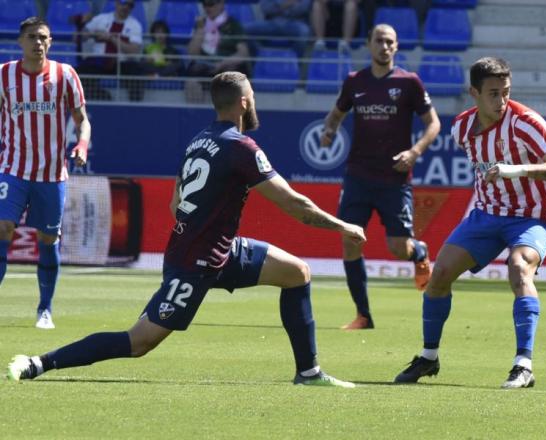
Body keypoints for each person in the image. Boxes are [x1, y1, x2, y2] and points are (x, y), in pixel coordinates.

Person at [7, 71, 365, 388]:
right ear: (243, 102)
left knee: (297, 273)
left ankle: (309, 373)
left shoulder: (199, 140)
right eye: (252, 97)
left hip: (219, 249)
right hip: (195, 263)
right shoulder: (241, 147)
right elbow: (295, 205)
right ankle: (40, 363)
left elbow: (174, 205)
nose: (254, 103)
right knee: (138, 343)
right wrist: (344, 226)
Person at [393, 57, 546, 388]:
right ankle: (428, 357)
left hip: (530, 217)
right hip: (487, 214)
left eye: (506, 92)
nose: (501, 101)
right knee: (440, 276)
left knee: (519, 268)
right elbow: (485, 172)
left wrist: (519, 170)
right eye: (493, 93)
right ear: (473, 93)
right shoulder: (461, 128)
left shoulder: (525, 123)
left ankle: (523, 366)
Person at [320, 24, 440, 330]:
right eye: (379, 41)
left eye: (390, 42)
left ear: (396, 47)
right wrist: (330, 131)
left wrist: (414, 152)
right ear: (369, 44)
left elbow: (433, 124)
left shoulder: (409, 82)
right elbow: (336, 114)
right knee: (350, 241)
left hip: (394, 179)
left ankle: (420, 252)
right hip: (358, 176)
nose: (384, 46)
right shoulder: (354, 82)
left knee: (398, 248)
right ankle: (364, 315)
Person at [0, 17, 91, 329]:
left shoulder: (65, 75)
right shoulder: (4, 75)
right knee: (2, 228)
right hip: (12, 169)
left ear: (50, 42)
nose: (38, 43)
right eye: (32, 37)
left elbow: (82, 120)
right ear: (20, 41)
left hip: (51, 175)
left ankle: (44, 309)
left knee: (47, 239)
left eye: (43, 37)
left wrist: (81, 144)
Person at [76, 0, 144, 101]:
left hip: (121, 62)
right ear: (116, 3)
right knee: (79, 74)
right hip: (99, 60)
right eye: (123, 3)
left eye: (130, 5)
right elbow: (79, 37)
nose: (126, 7)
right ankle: (103, 97)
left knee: (136, 74)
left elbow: (134, 50)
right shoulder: (101, 19)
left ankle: (135, 108)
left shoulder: (135, 25)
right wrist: (92, 33)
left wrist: (112, 38)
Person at [185, 0, 250, 102]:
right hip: (206, 66)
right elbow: (193, 53)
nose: (207, 8)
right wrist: (200, 29)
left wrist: (223, 63)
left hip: (227, 66)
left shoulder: (233, 24)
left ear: (221, 4)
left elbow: (243, 53)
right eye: (204, 4)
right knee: (191, 79)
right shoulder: (200, 24)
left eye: (211, 4)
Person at [243, 0, 312, 57]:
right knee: (245, 30)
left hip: (295, 23)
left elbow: (304, 8)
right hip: (271, 22)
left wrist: (278, 6)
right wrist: (285, 4)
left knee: (304, 31)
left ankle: (295, 62)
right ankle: (257, 60)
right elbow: (265, 8)